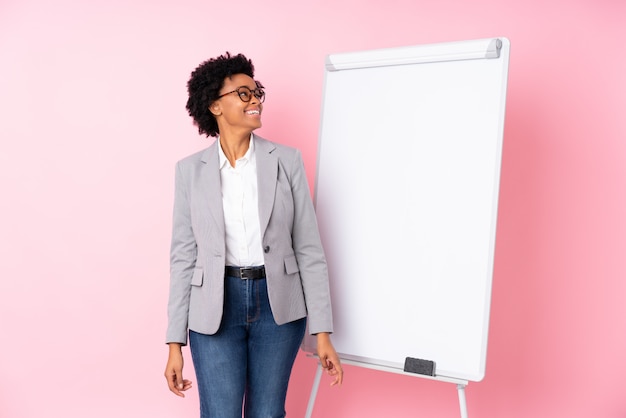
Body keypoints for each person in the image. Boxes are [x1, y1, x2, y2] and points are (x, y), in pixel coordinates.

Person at [164, 52, 343, 418]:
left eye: (256, 91)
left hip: (278, 307)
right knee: (220, 412)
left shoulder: (286, 160)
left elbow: (309, 248)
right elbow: (183, 257)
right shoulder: (189, 172)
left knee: (267, 412)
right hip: (215, 305)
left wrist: (322, 331)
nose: (255, 99)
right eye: (243, 93)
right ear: (215, 105)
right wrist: (174, 342)